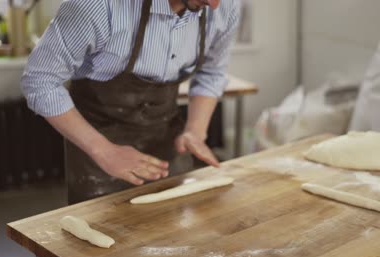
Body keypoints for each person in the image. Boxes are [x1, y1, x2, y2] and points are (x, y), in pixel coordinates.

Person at [21, 0, 240, 205]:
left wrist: (195, 131)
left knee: (174, 227)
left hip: (167, 142)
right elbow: (40, 80)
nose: (214, 4)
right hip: (97, 148)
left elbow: (212, 71)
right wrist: (103, 150)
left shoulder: (223, 6)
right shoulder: (97, 6)